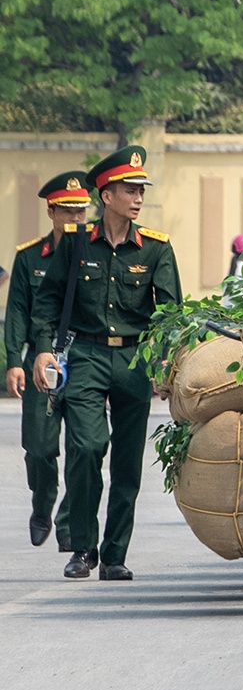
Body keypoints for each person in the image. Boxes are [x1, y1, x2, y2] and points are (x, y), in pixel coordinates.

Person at [28, 147, 179, 581]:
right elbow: (48, 300)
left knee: (127, 461)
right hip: (86, 356)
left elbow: (170, 311)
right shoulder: (75, 242)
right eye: (130, 190)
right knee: (86, 446)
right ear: (106, 196)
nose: (138, 198)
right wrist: (43, 349)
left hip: (134, 360)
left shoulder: (156, 248)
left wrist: (165, 360)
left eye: (141, 191)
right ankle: (82, 548)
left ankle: (114, 555)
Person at [7, 172, 92, 551]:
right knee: (40, 448)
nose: (75, 217)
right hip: (41, 361)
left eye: (81, 210)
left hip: (85, 359)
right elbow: (17, 312)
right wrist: (14, 360)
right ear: (51, 212)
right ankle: (42, 505)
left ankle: (68, 523)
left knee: (82, 448)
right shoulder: (30, 257)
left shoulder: (95, 253)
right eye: (68, 210)